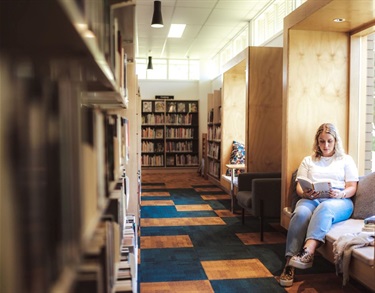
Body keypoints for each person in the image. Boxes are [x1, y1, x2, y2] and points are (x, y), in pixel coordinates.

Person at [279, 123, 359, 287]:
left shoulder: (346, 160)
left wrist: (341, 193)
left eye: (329, 141)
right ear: (317, 142)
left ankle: (308, 251)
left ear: (336, 141)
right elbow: (300, 186)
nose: (326, 146)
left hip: (339, 201)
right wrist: (305, 193)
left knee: (325, 208)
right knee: (300, 213)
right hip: (311, 199)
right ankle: (289, 264)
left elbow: (352, 187)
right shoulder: (308, 160)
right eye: (322, 141)